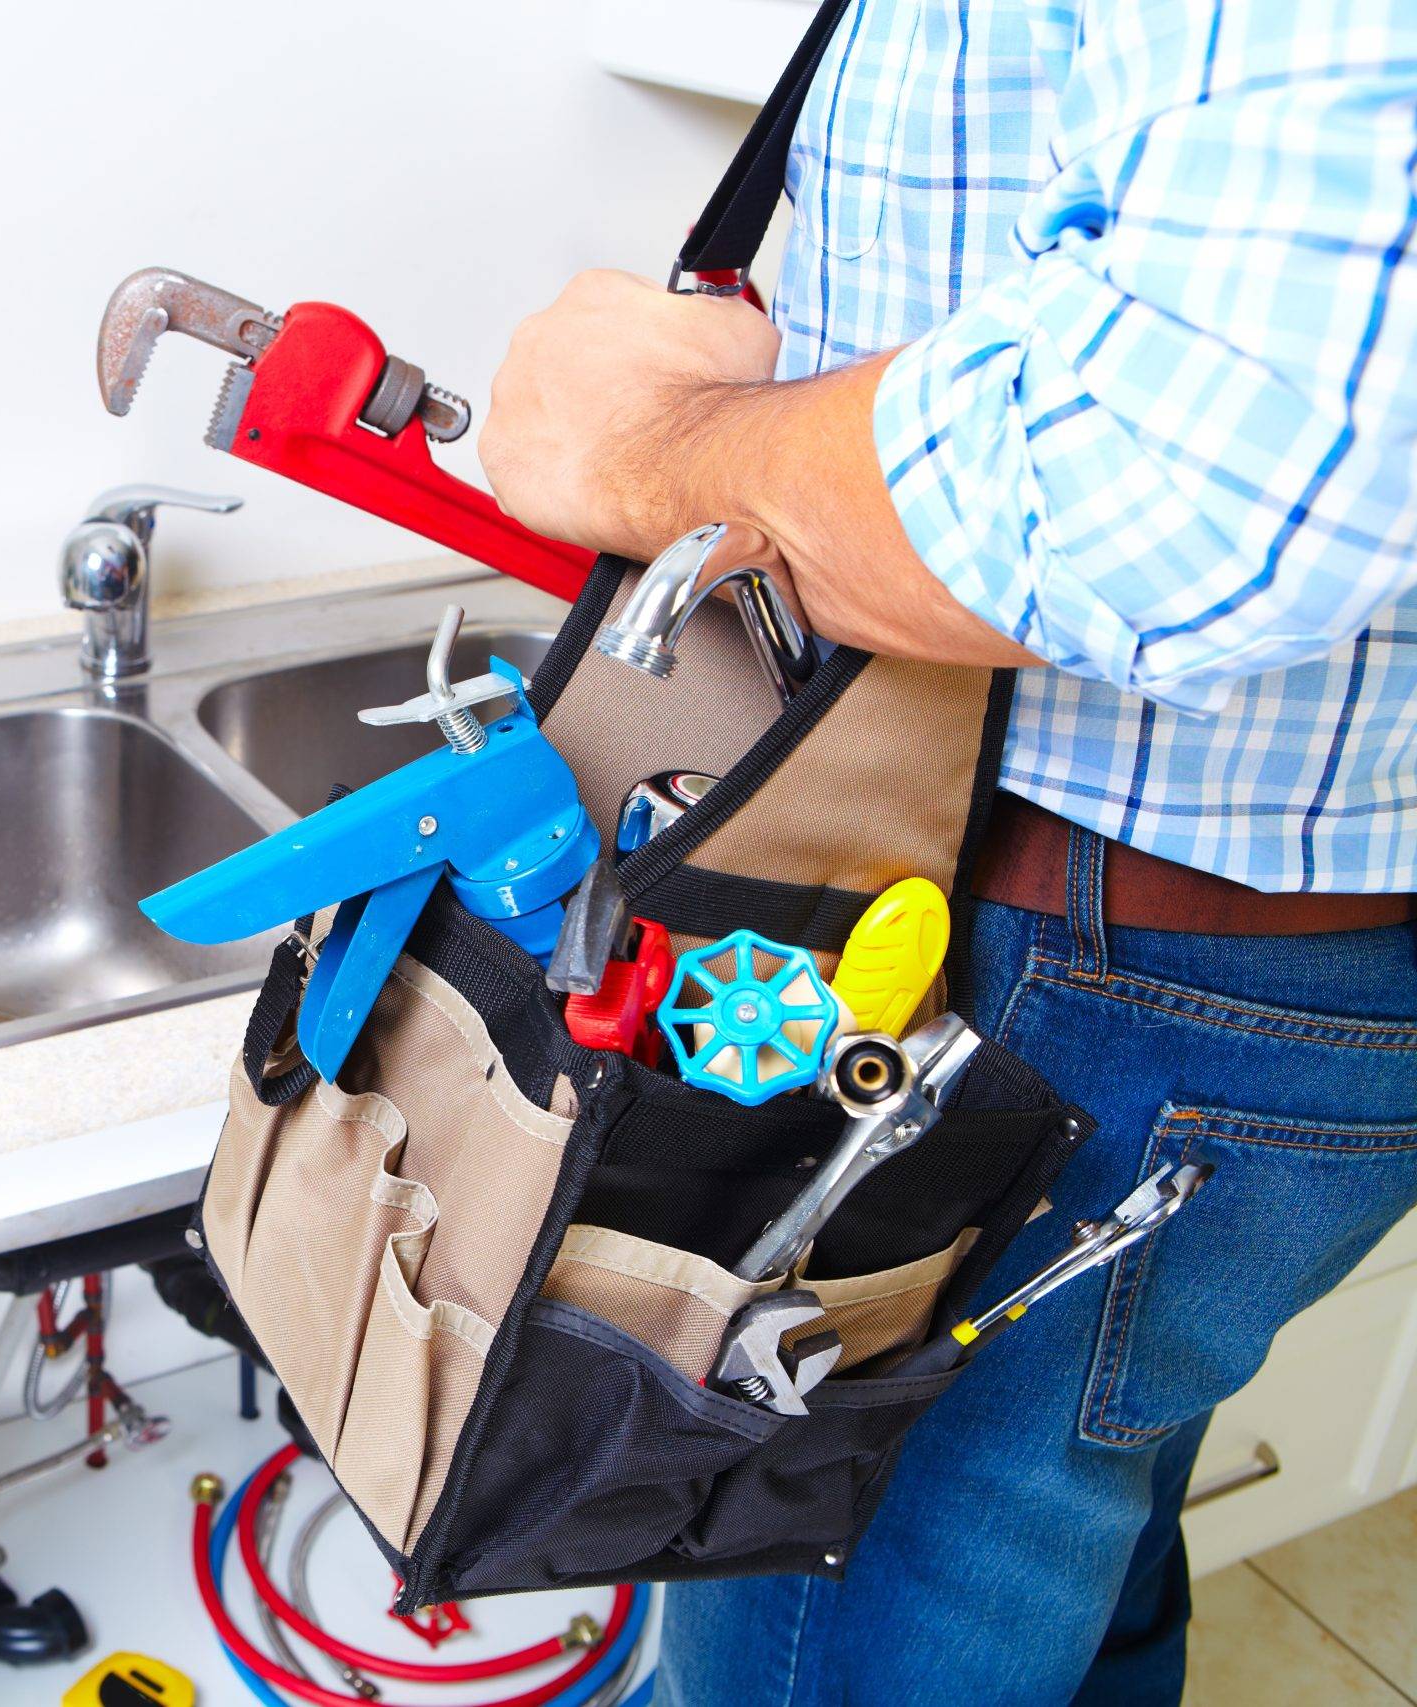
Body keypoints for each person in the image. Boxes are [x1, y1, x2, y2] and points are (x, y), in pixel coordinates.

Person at [477, 1, 1417, 1701]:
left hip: (1103, 965)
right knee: (1065, 1532)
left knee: (839, 1607)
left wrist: (640, 453)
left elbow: (1200, 481)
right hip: (1125, 944)